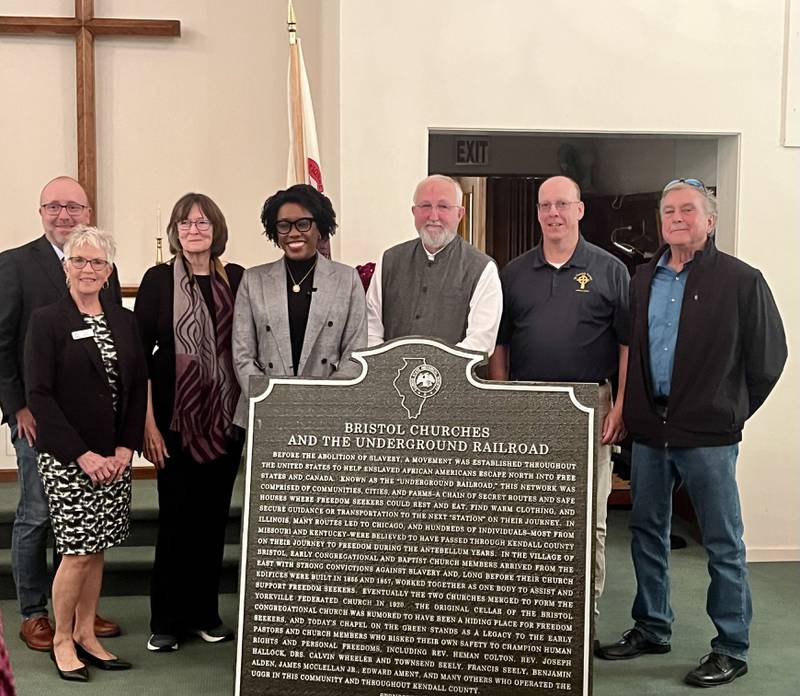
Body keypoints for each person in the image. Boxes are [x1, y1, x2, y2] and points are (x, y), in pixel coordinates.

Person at [596, 179, 787, 688]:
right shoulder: (641, 280)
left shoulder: (742, 281)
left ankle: (731, 647)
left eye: (687, 210)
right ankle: (652, 627)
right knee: (646, 533)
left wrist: (730, 412)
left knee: (723, 543)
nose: (676, 218)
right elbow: (631, 349)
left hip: (709, 436)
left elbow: (769, 360)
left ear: (710, 220)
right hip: (650, 432)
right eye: (668, 211)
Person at [488, 175, 630, 633]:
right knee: (525, 518)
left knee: (590, 518)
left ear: (580, 210)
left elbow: (628, 345)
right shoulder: (513, 272)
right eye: (545, 205)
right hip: (529, 404)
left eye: (562, 204)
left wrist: (621, 405)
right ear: (537, 212)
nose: (553, 213)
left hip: (591, 401)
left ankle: (580, 621)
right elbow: (500, 344)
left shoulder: (610, 270)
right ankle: (530, 617)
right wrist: (503, 398)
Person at [0, 176, 122, 652]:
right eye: (54, 206)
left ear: (87, 211)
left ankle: (73, 614)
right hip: (37, 415)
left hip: (91, 422)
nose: (64, 214)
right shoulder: (14, 264)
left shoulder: (101, 264)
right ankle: (35, 613)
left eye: (73, 206)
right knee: (37, 512)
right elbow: (3, 343)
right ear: (41, 211)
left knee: (85, 518)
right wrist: (18, 408)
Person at [25, 226, 147, 681]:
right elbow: (40, 396)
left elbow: (136, 390)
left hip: (114, 458)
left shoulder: (125, 320)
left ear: (110, 271)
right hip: (68, 458)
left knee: (98, 551)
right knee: (76, 552)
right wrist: (82, 455)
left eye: (97, 262)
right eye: (80, 261)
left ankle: (85, 633)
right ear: (66, 267)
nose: (88, 269)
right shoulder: (47, 320)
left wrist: (122, 448)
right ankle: (61, 638)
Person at [134, 193, 244, 652]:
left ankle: (204, 613)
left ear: (216, 229)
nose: (194, 229)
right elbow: (138, 357)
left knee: (213, 519)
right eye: (185, 222)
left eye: (202, 222)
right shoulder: (158, 280)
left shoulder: (237, 278)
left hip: (224, 418)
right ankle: (166, 619)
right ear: (176, 232)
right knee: (175, 519)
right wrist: (148, 425)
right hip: (173, 420)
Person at [232, 184, 366, 426]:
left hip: (328, 414)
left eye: (303, 223)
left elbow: (355, 354)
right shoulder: (253, 280)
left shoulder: (347, 279)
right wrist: (269, 401)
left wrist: (319, 402)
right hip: (264, 413)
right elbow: (242, 355)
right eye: (284, 225)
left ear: (320, 228)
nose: (293, 233)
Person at [366, 174, 501, 354]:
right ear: (414, 212)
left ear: (460, 214)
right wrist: (387, 366)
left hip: (454, 380)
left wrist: (433, 370)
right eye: (425, 206)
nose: (433, 216)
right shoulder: (390, 260)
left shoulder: (482, 269)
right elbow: (370, 328)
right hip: (392, 377)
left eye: (443, 206)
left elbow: (481, 342)